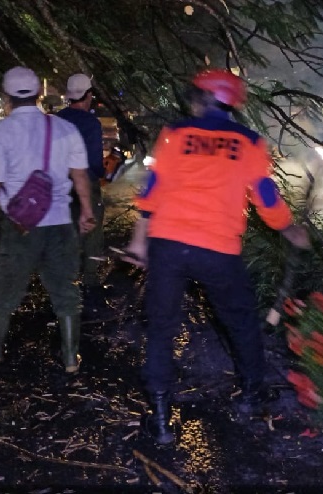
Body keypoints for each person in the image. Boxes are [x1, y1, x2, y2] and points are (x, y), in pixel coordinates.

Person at [122, 69, 310, 445]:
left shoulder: (175, 135)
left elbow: (154, 188)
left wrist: (139, 240)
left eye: (194, 95)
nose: (190, 101)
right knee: (241, 322)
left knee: (161, 328)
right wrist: (289, 229)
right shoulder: (250, 143)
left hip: (169, 245)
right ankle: (252, 395)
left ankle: (160, 420)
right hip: (218, 249)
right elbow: (266, 198)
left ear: (205, 99)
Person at [0, 67, 95, 374]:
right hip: (61, 223)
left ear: (7, 97)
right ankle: (71, 357)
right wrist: (86, 210)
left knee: (7, 289)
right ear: (38, 95)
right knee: (65, 289)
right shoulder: (64, 129)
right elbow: (79, 174)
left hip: (20, 226)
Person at [56, 74, 106, 304]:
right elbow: (94, 163)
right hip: (85, 183)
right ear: (88, 95)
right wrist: (105, 173)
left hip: (60, 186)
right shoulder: (90, 123)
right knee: (92, 231)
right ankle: (91, 281)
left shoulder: (57, 120)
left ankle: (64, 281)